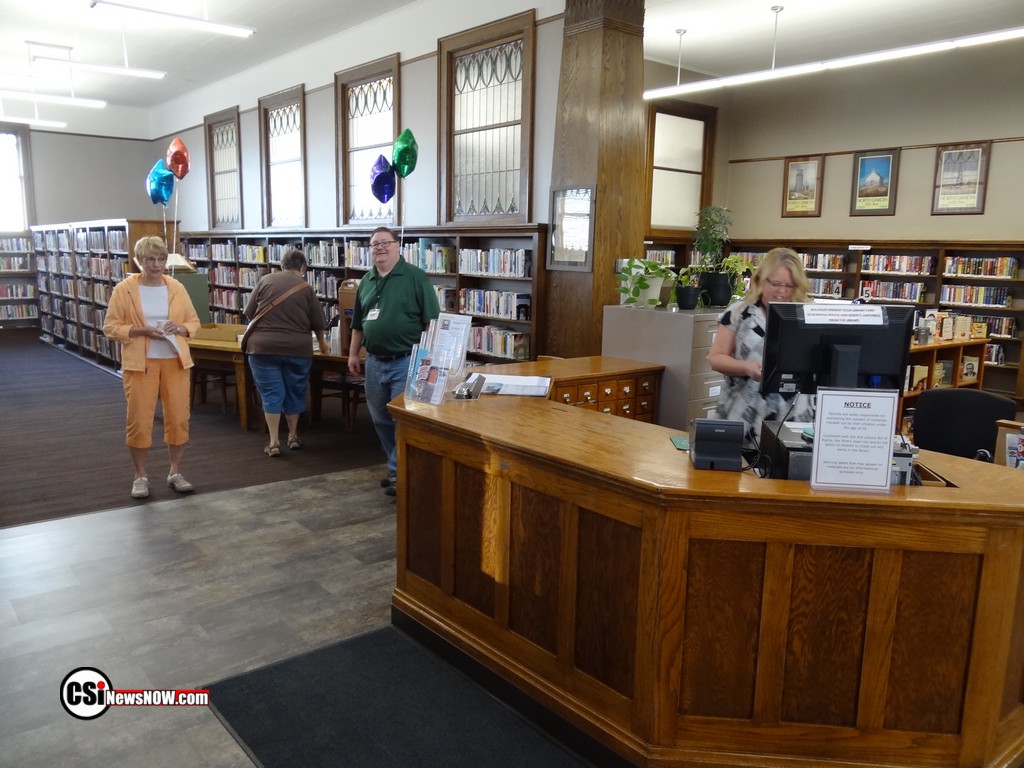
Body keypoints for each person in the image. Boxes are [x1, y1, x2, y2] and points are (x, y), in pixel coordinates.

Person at [103, 236, 202, 499]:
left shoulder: (177, 287)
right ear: (139, 260)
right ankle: (140, 475)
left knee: (179, 418)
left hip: (175, 361)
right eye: (149, 259)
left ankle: (175, 471)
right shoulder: (124, 289)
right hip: (140, 363)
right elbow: (110, 327)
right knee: (139, 419)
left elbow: (193, 322)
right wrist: (140, 330)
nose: (156, 264)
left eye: (161, 258)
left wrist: (179, 328)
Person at [348, 226, 440, 496]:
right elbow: (358, 325)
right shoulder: (366, 281)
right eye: (375, 244)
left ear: (398, 245)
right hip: (374, 362)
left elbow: (431, 323)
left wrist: (426, 361)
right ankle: (395, 467)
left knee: (404, 419)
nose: (380, 248)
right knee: (380, 419)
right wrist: (354, 354)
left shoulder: (415, 278)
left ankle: (403, 473)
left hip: (407, 361)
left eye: (385, 243)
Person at [707, 247, 815, 453]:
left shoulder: (808, 314)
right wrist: (748, 367)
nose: (781, 291)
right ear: (760, 280)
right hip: (743, 412)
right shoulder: (739, 312)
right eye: (774, 284)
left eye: (789, 285)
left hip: (793, 416)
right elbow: (715, 358)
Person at [243, 248, 328, 456]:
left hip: (262, 348)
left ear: (282, 265)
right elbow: (318, 322)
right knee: (295, 390)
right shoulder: (306, 288)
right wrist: (323, 345)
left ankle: (273, 441)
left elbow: (249, 313)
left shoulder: (265, 281)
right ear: (303, 268)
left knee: (271, 392)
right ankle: (293, 436)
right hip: (297, 349)